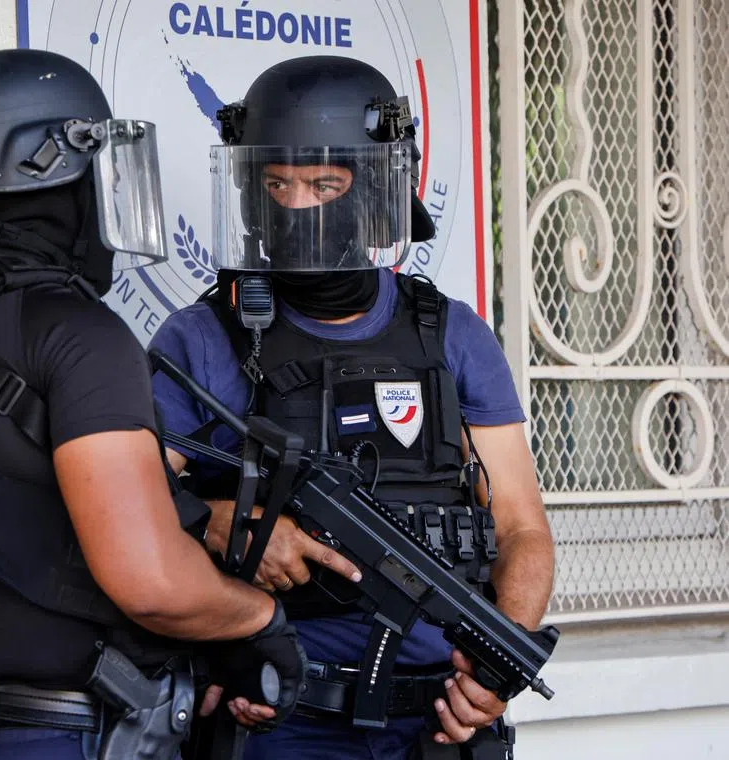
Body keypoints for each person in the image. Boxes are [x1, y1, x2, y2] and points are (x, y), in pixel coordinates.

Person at [0, 49, 306, 760]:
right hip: (68, 738)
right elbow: (148, 581)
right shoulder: (79, 336)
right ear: (57, 172)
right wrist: (258, 620)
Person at [150, 55, 555, 759]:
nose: (300, 206)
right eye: (277, 184)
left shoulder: (451, 333)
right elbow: (125, 510)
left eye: (324, 184)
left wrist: (494, 671)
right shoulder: (205, 336)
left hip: (436, 720)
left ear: (372, 189)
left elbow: (521, 526)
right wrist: (221, 524)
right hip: (277, 716)